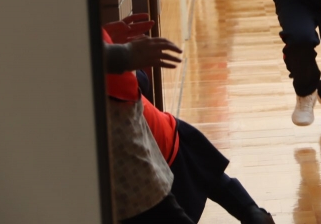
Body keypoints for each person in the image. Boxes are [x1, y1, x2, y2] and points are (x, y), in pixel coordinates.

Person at [105, 15, 275, 224]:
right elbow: (141, 82)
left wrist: (115, 51)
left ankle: (254, 215)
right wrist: (121, 54)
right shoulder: (96, 54)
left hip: (153, 159)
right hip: (165, 136)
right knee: (214, 179)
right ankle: (254, 214)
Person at [102, 18, 193, 223]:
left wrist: (106, 39)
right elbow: (70, 51)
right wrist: (122, 54)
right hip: (120, 140)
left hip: (127, 122)